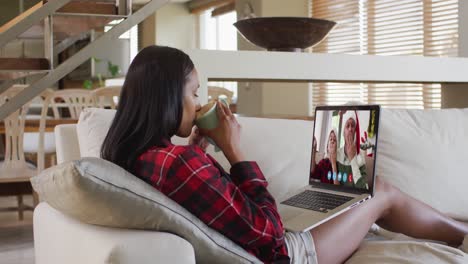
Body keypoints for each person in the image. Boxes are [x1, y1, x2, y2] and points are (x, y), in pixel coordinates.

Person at [101, 46, 468, 264]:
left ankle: (456, 226)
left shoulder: (140, 155)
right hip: (290, 255)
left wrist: (199, 150)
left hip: (277, 240)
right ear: (167, 97)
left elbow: (206, 200)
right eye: (194, 93)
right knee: (381, 192)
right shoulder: (180, 163)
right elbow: (270, 236)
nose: (198, 102)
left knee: (359, 202)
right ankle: (463, 236)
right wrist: (234, 150)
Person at [337, 111, 368, 189]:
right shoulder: (336, 154)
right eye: (347, 126)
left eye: (353, 126)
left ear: (355, 132)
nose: (350, 129)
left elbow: (364, 189)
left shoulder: (360, 157)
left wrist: (353, 160)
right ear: (343, 132)